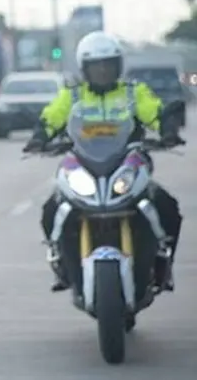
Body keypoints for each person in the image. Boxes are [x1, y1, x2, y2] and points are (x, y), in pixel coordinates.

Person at [22, 30, 185, 292]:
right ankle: (61, 265)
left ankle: (164, 267)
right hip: (85, 164)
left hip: (126, 164)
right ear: (85, 69)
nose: (102, 71)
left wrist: (167, 130)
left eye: (108, 65)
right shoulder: (72, 96)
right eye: (96, 66)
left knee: (167, 208)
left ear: (118, 66)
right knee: (51, 210)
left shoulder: (133, 93)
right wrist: (40, 136)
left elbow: (155, 113)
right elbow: (51, 117)